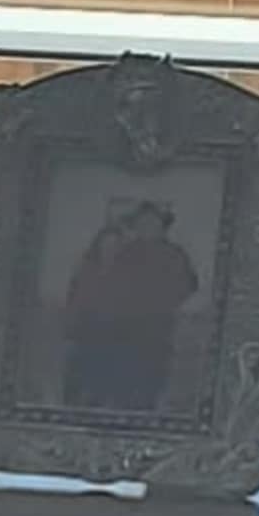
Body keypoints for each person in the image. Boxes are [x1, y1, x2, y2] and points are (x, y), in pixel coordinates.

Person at [52, 179, 205, 427]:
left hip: (154, 330)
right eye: (143, 223)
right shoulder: (125, 251)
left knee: (147, 383)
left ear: (162, 226)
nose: (148, 228)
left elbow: (187, 286)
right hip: (117, 330)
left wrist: (158, 301)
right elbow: (104, 285)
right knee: (113, 379)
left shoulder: (174, 255)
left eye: (153, 223)